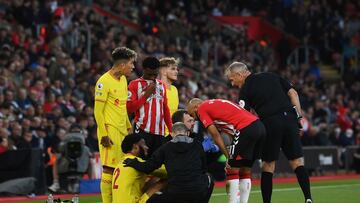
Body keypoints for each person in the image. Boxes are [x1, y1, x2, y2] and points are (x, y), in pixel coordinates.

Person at [225, 62, 312, 203]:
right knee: (297, 162)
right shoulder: (271, 75)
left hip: (270, 122)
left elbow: (243, 115)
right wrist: (298, 117)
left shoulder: (246, 88)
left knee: (268, 165)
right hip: (290, 119)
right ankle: (308, 198)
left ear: (239, 74)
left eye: (232, 79)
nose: (233, 83)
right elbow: (293, 93)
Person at [187, 98, 265, 203]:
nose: (194, 118)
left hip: (245, 128)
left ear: (196, 107)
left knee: (231, 169)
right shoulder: (216, 104)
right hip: (259, 126)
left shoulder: (201, 108)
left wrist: (228, 157)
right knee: (245, 170)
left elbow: (215, 135)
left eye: (192, 114)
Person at [123, 122, 214, 203]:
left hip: (175, 194)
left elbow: (148, 167)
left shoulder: (165, 148)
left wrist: (133, 162)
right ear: (187, 133)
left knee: (152, 200)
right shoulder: (197, 145)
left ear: (171, 134)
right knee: (209, 177)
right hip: (197, 192)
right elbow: (204, 168)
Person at [94, 47, 137, 203]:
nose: (133, 67)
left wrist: (128, 127)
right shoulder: (103, 82)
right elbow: (98, 112)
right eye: (131, 63)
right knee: (109, 168)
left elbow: (122, 107)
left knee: (120, 166)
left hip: (122, 130)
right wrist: (104, 134)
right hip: (109, 130)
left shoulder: (124, 80)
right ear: (122, 65)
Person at [127, 56, 172, 156]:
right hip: (142, 131)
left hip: (160, 132)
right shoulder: (134, 84)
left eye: (155, 74)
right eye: (149, 74)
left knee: (157, 166)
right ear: (144, 70)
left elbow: (165, 109)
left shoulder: (161, 85)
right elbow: (130, 109)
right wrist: (146, 94)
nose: (152, 77)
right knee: (141, 161)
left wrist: (171, 129)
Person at [112, 133, 166, 203]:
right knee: (164, 179)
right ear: (135, 147)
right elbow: (166, 171)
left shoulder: (120, 164)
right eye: (144, 144)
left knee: (151, 179)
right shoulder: (137, 162)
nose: (147, 147)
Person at [159, 57, 179, 135]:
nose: (176, 72)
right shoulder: (156, 88)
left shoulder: (175, 90)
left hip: (171, 134)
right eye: (173, 69)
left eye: (177, 69)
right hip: (159, 134)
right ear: (163, 72)